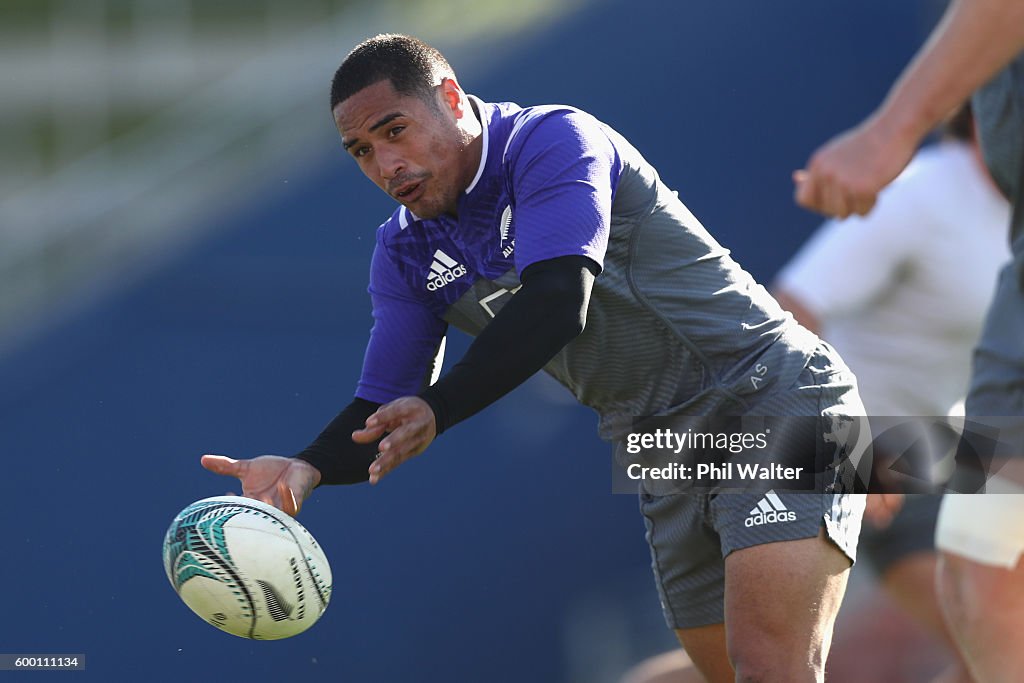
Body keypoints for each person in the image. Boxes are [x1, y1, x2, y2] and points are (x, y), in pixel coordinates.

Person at [202, 34, 867, 682]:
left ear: (453, 99)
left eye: (394, 130)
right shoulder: (402, 252)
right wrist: (308, 465)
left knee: (774, 667)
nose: (385, 164)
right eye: (361, 151)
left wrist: (438, 407)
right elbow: (383, 402)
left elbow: (557, 299)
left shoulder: (551, 141)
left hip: (767, 394)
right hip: (660, 446)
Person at [794, 2, 1024, 680]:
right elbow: (787, 308)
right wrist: (841, 447)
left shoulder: (1002, 211)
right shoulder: (923, 192)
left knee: (991, 644)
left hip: (959, 450)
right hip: (869, 462)